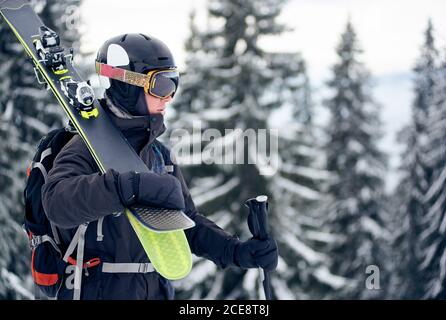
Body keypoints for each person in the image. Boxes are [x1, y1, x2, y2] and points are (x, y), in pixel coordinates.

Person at [41, 33, 278, 300]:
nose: (169, 97)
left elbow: (186, 223)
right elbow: (56, 202)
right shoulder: (85, 147)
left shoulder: (159, 156)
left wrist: (235, 252)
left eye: (174, 84)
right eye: (162, 85)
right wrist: (128, 187)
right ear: (128, 84)